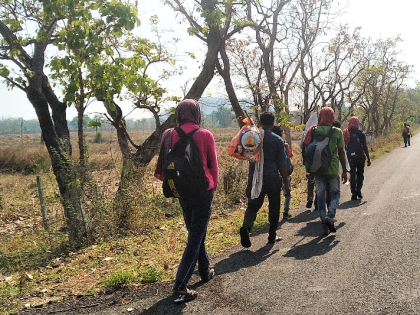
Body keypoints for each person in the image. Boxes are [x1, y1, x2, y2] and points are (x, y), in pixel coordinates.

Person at [154, 99, 219, 303]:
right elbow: (213, 164)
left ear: (179, 114)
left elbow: (165, 164)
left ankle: (205, 270)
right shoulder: (205, 134)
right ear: (196, 113)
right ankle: (181, 284)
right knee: (196, 235)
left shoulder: (169, 135)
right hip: (202, 189)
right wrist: (213, 186)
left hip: (181, 190)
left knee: (195, 232)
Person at [240, 112, 291, 247]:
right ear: (273, 123)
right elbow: (281, 163)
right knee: (274, 206)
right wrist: (285, 182)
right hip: (272, 177)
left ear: (260, 122)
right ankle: (272, 235)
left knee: (253, 205)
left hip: (255, 178)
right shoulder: (277, 140)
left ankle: (246, 227)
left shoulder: (252, 137)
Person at [303, 107, 348, 235]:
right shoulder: (337, 132)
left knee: (321, 196)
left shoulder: (313, 130)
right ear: (332, 117)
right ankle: (330, 217)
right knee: (335, 193)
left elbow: (305, 147)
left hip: (317, 168)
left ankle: (324, 223)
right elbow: (341, 152)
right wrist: (344, 170)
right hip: (333, 168)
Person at [343, 116, 371, 200]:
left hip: (350, 158)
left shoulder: (346, 132)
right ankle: (358, 190)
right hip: (360, 157)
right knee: (360, 174)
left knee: (351, 175)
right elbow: (365, 146)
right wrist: (368, 158)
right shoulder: (361, 133)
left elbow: (343, 147)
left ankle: (353, 193)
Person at [272, 126, 293, 219]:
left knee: (274, 196)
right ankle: (285, 211)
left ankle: (272, 215)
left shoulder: (269, 144)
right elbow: (289, 155)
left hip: (274, 173)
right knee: (287, 193)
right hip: (285, 172)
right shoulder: (284, 144)